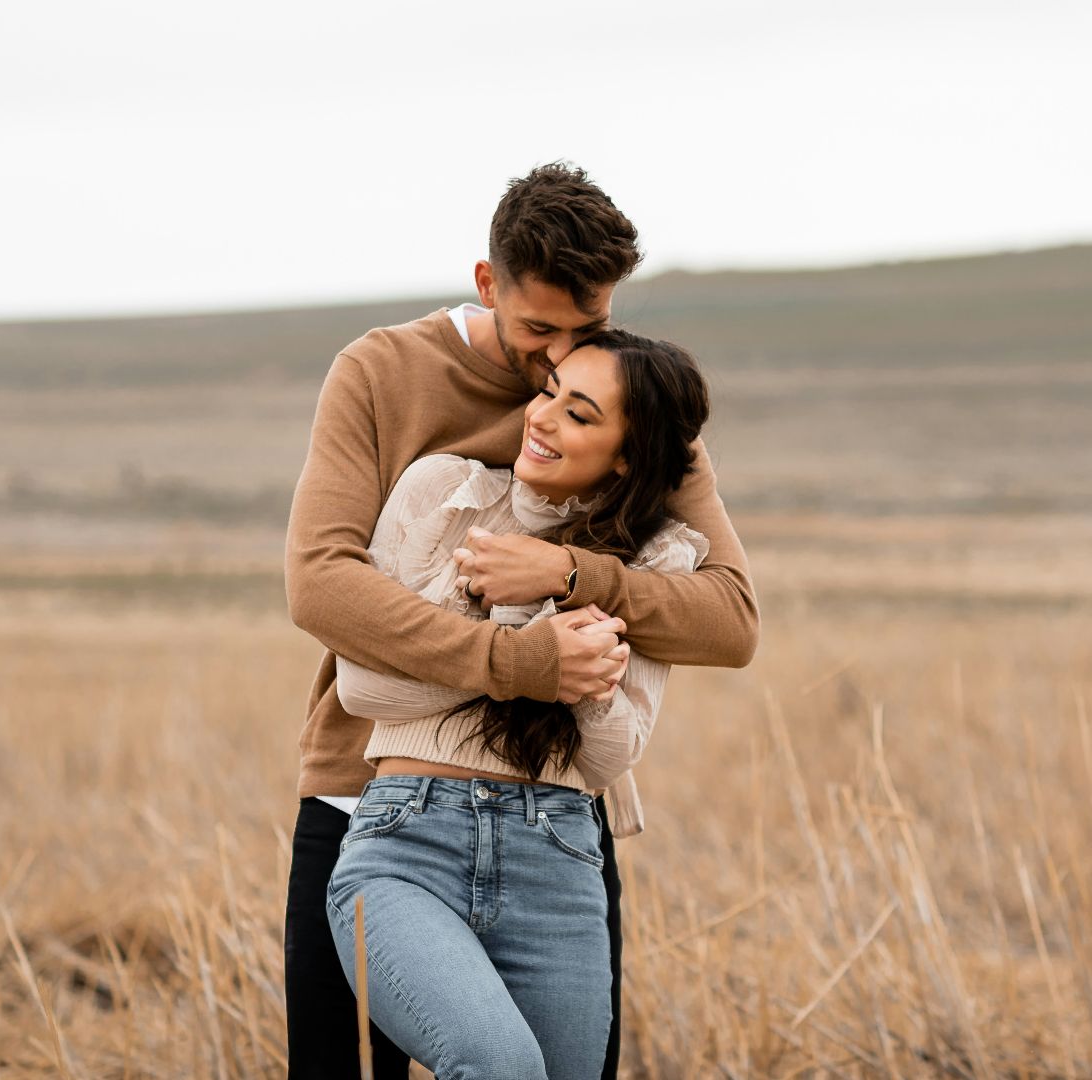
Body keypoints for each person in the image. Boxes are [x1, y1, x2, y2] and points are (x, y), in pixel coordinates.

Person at [282, 163, 758, 1080]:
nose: (557, 363)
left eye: (589, 331)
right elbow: (321, 587)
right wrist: (519, 660)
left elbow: (729, 619)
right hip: (367, 790)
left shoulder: (634, 403)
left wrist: (572, 573)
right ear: (488, 285)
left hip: (556, 812)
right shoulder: (381, 373)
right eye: (540, 330)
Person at [325, 329, 709, 1078]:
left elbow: (609, 755)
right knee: (500, 1067)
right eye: (549, 392)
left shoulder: (653, 558)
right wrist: (518, 641)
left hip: (558, 860)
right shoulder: (442, 493)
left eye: (581, 413)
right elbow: (362, 686)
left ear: (628, 453)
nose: (543, 418)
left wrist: (562, 588)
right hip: (407, 843)